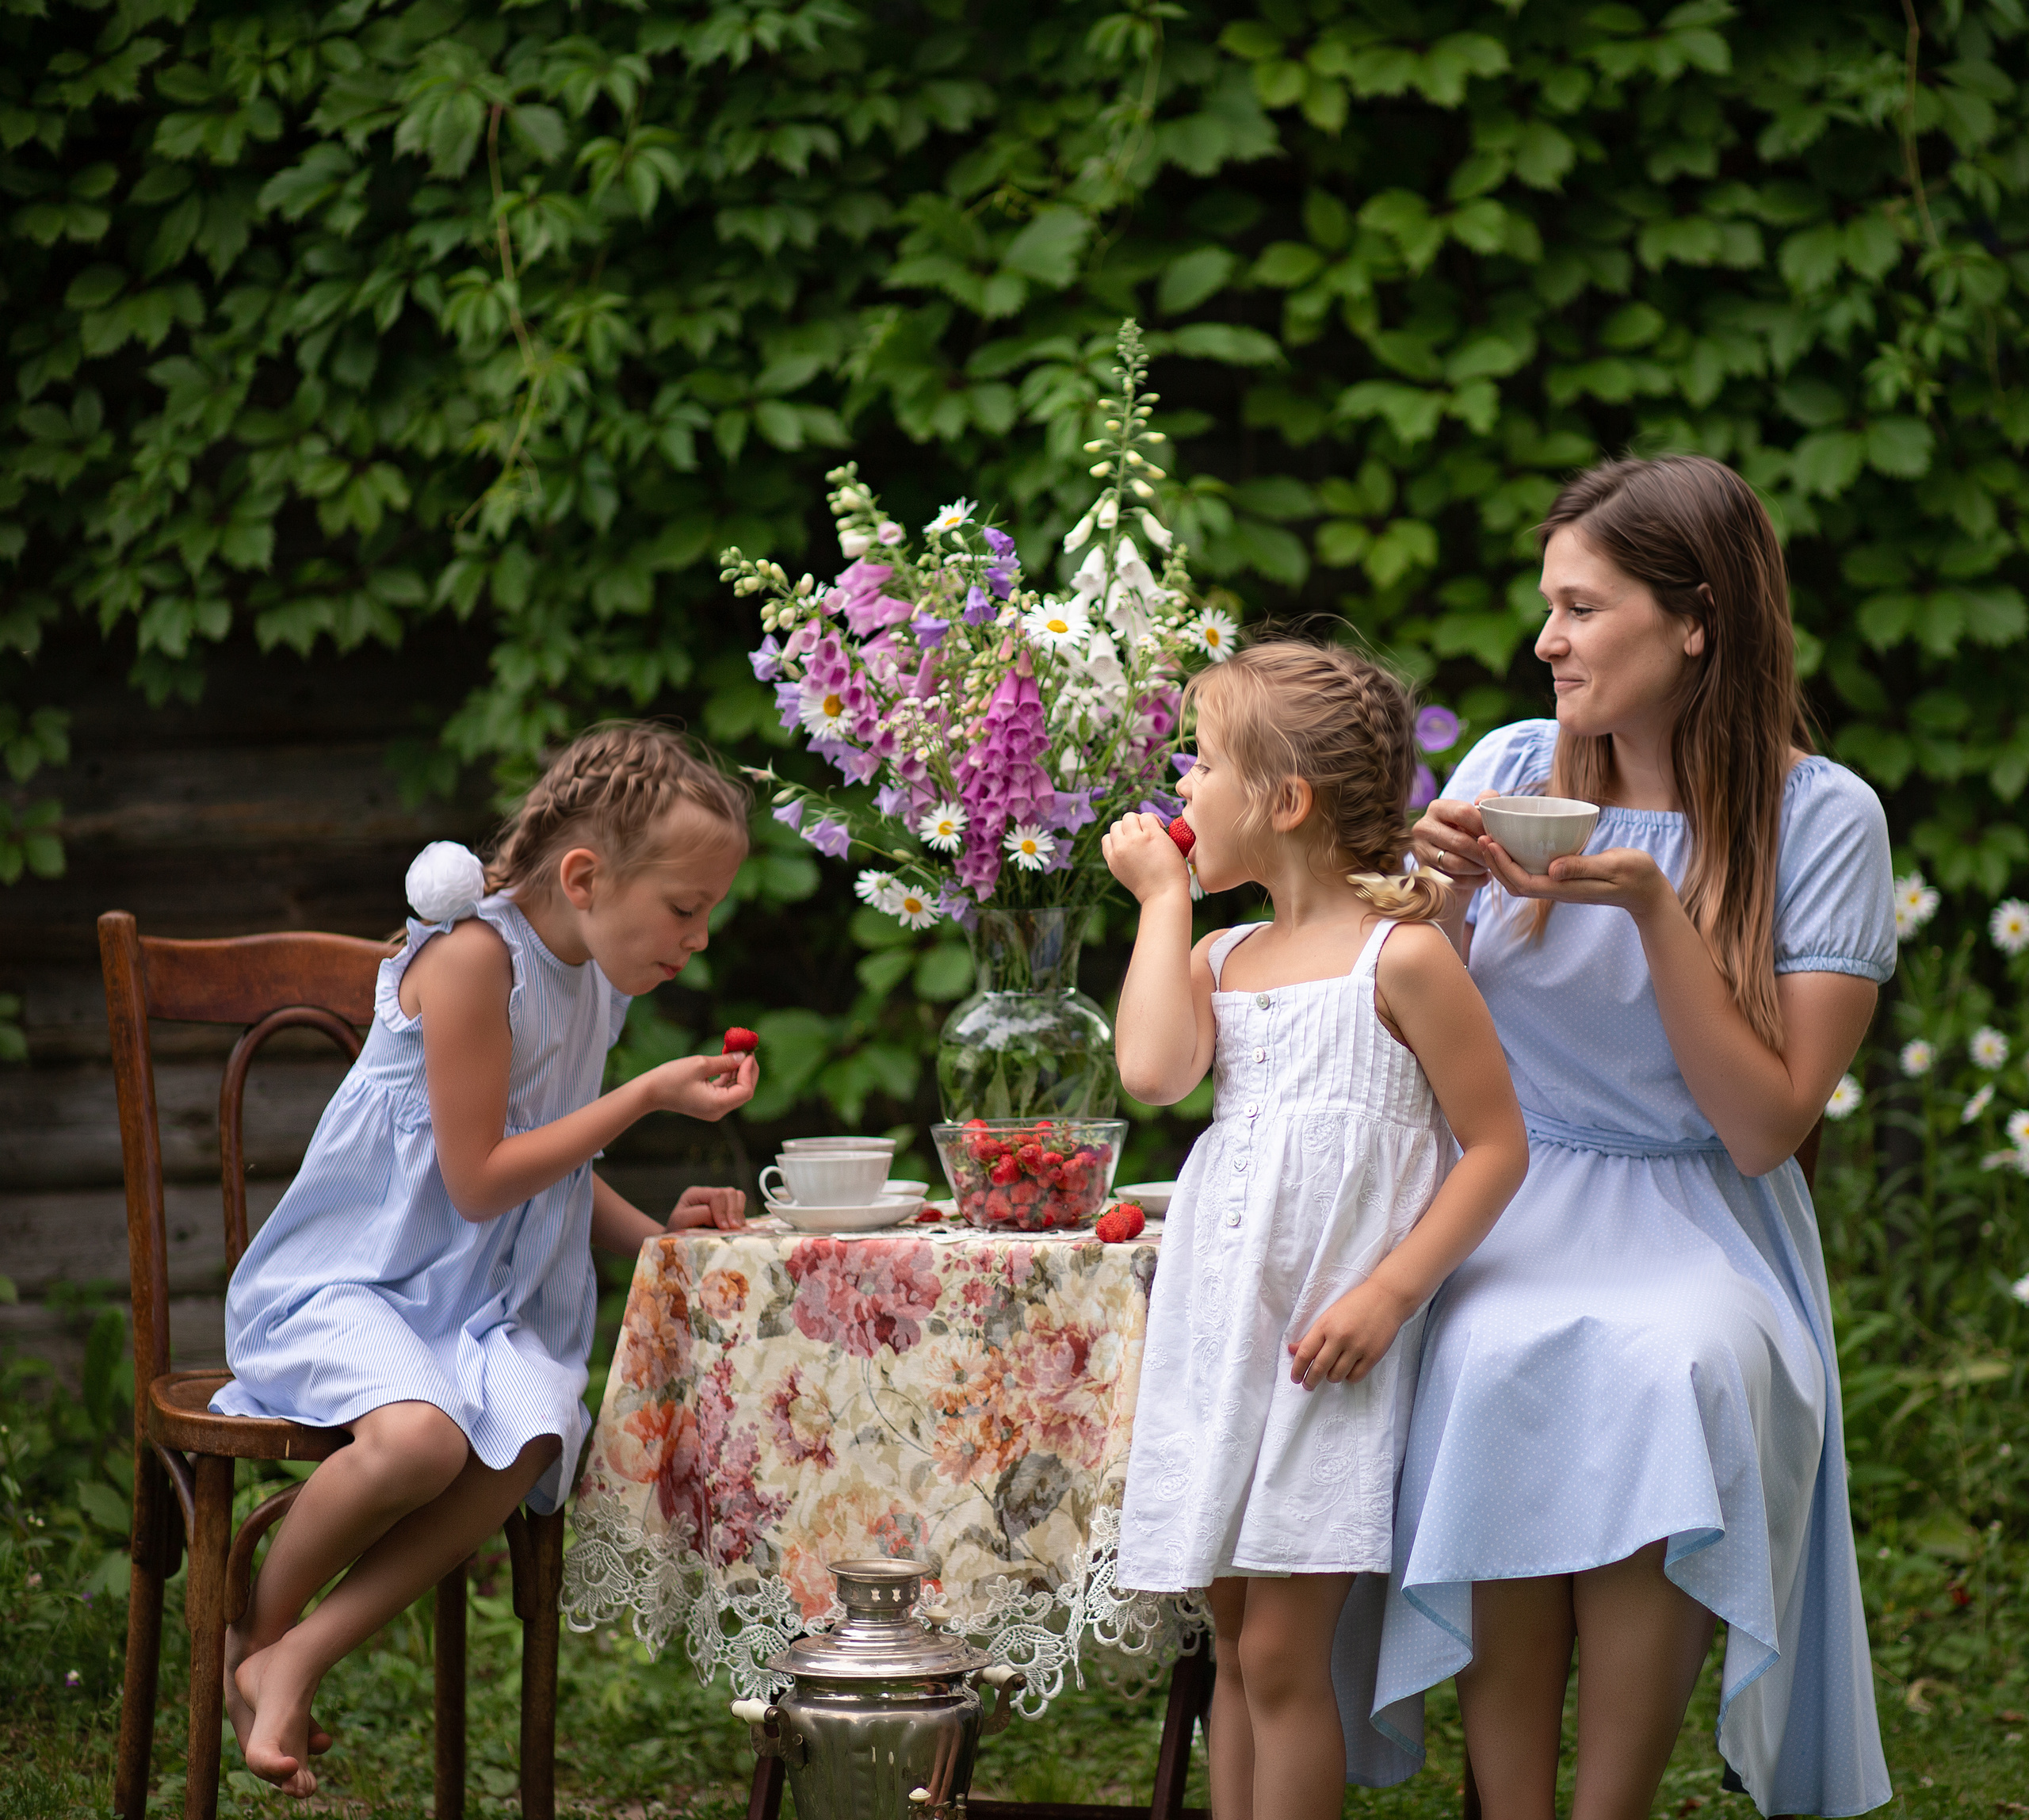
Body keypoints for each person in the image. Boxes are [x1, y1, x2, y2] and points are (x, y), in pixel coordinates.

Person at [1363, 454, 1894, 1818]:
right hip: (1510, 1196)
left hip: (1703, 1216)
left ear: (1697, 620)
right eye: (1549, 606)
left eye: (1583, 609)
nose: (1547, 640)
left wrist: (1657, 911)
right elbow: (1410, 1052)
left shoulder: (1822, 817)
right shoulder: (1506, 768)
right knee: (1491, 1357)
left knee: (1669, 1371)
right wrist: (1431, 909)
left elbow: (1765, 1128)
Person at [209, 721, 760, 1798]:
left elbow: (550, 1164)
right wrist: (643, 1097)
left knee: (534, 1428)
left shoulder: (596, 980)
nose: (697, 939)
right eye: (683, 908)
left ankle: (300, 1655)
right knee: (420, 1442)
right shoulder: (472, 960)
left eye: (709, 915)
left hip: (470, 1312)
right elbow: (479, 1179)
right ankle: (251, 1641)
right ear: (586, 879)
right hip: (354, 1287)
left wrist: (657, 1237)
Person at [1104, 640, 1530, 1820]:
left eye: (1204, 763)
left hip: (1331, 1348)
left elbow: (1497, 1146)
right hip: (1227, 1340)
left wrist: (1392, 1293)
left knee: (1287, 1653)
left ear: (1284, 802)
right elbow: (1153, 1072)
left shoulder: (1405, 959)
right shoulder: (1220, 956)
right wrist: (1166, 904)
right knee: (1237, 1644)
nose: (1182, 786)